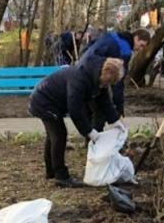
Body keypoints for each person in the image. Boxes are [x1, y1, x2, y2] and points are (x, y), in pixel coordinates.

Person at [28, 57, 126, 188]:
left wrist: (115, 121)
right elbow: (76, 110)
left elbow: (104, 101)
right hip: (44, 101)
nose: (106, 86)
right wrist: (89, 131)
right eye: (106, 83)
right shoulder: (80, 78)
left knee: (53, 136)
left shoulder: (97, 78)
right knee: (59, 135)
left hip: (51, 101)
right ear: (104, 74)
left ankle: (51, 171)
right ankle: (61, 176)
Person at [82, 29, 151, 125]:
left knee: (90, 111)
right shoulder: (125, 50)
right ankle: (96, 138)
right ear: (136, 38)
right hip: (94, 76)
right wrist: (119, 106)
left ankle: (90, 137)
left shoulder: (112, 35)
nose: (140, 49)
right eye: (141, 45)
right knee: (100, 113)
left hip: (83, 69)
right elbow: (118, 80)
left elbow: (89, 47)